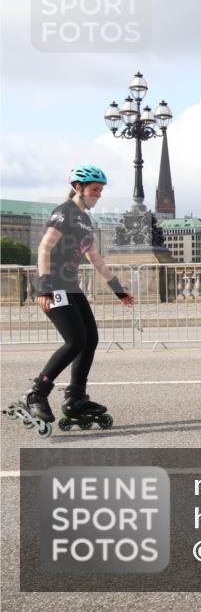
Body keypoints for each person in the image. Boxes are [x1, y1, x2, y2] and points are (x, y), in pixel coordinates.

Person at [3, 165, 133, 438]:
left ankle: (76, 398)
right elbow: (45, 248)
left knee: (91, 339)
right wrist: (45, 287)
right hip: (54, 285)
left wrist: (118, 290)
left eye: (100, 190)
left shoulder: (86, 221)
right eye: (94, 190)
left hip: (71, 287)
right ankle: (37, 393)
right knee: (75, 340)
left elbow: (96, 260)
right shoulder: (64, 212)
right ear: (78, 188)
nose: (98, 195)